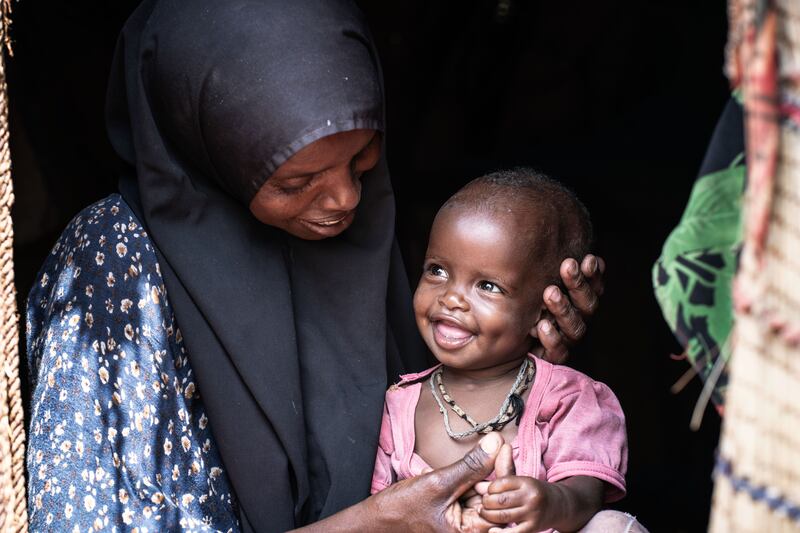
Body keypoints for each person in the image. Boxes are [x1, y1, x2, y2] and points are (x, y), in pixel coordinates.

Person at [24, 1, 604, 531]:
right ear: (204, 143)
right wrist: (372, 524)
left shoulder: (366, 231)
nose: (345, 199)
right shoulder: (109, 267)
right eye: (297, 181)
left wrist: (519, 369)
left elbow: (442, 410)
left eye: (361, 158)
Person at [371, 170, 645, 532]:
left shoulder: (567, 398)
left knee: (611, 526)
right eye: (437, 270)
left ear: (543, 311)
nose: (451, 298)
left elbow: (587, 492)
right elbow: (380, 513)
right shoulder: (399, 405)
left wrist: (552, 502)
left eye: (488, 286)